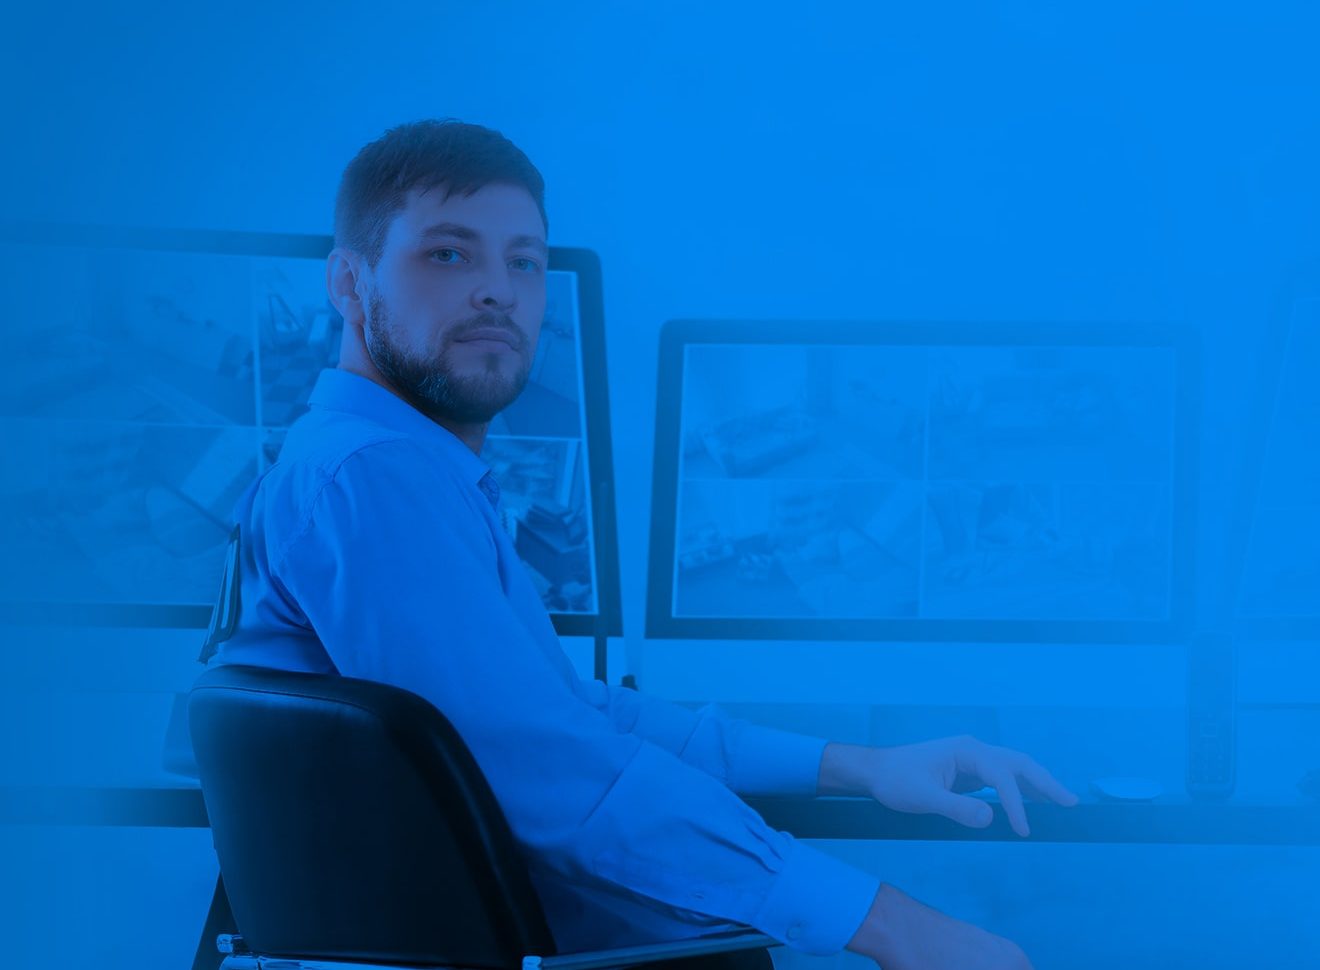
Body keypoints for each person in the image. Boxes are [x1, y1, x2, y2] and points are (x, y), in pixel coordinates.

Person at [202, 119, 1076, 970]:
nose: (499, 291)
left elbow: (567, 715)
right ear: (348, 283)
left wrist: (859, 766)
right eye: (449, 254)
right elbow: (552, 769)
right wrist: (892, 924)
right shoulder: (372, 477)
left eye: (524, 262)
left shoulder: (390, 471)